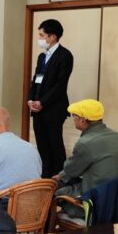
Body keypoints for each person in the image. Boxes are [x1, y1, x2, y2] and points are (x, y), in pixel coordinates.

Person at [27, 18, 74, 178]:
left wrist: (42, 102)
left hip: (54, 109)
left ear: (52, 37)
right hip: (37, 109)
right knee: (42, 145)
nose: (39, 38)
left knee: (55, 144)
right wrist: (30, 99)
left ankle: (59, 178)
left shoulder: (65, 55)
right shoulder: (42, 57)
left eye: (42, 35)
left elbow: (60, 85)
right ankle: (45, 177)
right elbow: (35, 79)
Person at [54, 99, 118, 197]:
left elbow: (71, 170)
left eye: (74, 115)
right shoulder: (115, 135)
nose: (73, 119)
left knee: (55, 190)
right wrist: (62, 175)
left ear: (82, 120)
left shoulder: (85, 143)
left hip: (97, 195)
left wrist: (61, 176)